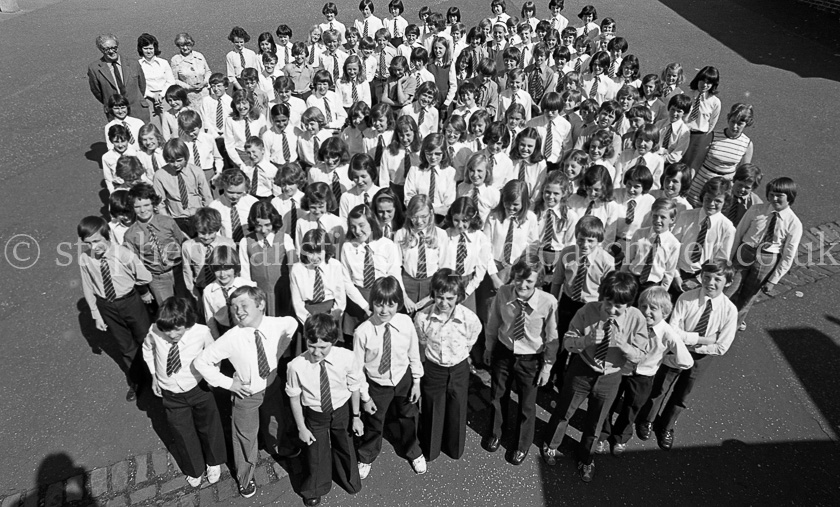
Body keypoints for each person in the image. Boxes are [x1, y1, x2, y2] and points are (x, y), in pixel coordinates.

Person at [541, 271, 649, 482]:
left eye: (619, 306)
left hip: (611, 376)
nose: (612, 309)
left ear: (629, 303)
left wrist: (624, 346)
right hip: (582, 369)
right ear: (602, 296)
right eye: (608, 302)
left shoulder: (637, 319)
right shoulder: (587, 311)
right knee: (564, 410)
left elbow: (641, 355)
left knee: (596, 421)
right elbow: (568, 341)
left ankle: (586, 458)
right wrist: (586, 340)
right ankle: (551, 444)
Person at [194, 286, 298, 498]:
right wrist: (228, 383)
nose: (238, 311)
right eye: (234, 307)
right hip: (246, 393)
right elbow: (201, 361)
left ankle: (279, 446)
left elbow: (293, 324)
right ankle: (245, 475)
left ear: (260, 305)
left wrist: (279, 352)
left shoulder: (275, 324)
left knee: (275, 419)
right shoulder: (232, 337)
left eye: (244, 305)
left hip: (271, 385)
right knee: (245, 435)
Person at [638, 260, 737, 451]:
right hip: (675, 352)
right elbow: (673, 331)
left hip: (701, 359)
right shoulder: (686, 298)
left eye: (717, 279)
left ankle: (666, 426)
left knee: (682, 395)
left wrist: (692, 344)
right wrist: (704, 339)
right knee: (660, 388)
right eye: (706, 277)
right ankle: (647, 419)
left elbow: (722, 346)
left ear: (728, 282)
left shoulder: (729, 311)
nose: (710, 283)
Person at [596, 286, 693, 455]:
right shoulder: (632, 322)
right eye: (643, 306)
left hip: (644, 376)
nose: (647, 312)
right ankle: (602, 435)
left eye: (653, 308)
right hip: (622, 370)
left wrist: (665, 360)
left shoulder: (667, 333)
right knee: (609, 403)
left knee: (632, 408)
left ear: (665, 312)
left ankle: (620, 437)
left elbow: (686, 361)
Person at [142, 297, 227, 487]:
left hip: (198, 387)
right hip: (171, 392)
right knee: (182, 431)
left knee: (209, 425)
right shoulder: (155, 331)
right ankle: (194, 468)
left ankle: (213, 461)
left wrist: (213, 376)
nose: (172, 335)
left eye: (177, 329)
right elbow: (147, 350)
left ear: (187, 323)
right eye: (167, 330)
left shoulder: (201, 332)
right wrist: (154, 375)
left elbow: (214, 355)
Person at [483, 259, 558, 465]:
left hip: (530, 358)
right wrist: (489, 348)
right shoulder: (504, 293)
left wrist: (548, 366)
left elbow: (552, 337)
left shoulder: (548, 302)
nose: (523, 286)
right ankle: (496, 432)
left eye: (529, 281)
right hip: (504, 351)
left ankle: (521, 444)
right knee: (498, 395)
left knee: (526, 404)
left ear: (538, 281)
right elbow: (494, 322)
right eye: (519, 279)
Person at [286, 313, 366, 506]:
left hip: (341, 410)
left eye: (323, 347)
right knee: (316, 452)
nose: (316, 352)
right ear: (305, 339)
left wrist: (356, 416)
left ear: (334, 341)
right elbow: (295, 399)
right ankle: (315, 487)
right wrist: (301, 428)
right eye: (311, 346)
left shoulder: (346, 358)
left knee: (345, 445)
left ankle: (348, 477)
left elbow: (354, 387)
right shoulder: (296, 366)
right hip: (315, 414)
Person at [353, 276, 425, 478]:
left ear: (399, 304)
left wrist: (417, 381)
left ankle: (413, 450)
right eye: (379, 304)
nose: (384, 311)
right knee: (375, 421)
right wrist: (365, 398)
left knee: (409, 416)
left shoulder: (406, 323)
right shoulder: (363, 332)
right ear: (372, 303)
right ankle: (366, 455)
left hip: (403, 379)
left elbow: (413, 353)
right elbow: (357, 369)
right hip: (377, 383)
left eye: (391, 305)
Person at [78, 216, 153, 402]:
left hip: (130, 301)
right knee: (125, 346)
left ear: (108, 235)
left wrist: (137, 288)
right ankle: (137, 381)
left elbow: (144, 276)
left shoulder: (124, 254)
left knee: (146, 339)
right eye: (88, 243)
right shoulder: (85, 259)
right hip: (107, 305)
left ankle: (155, 378)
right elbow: (88, 287)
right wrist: (96, 314)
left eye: (97, 241)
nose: (94, 247)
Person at [414, 269, 482, 460]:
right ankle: (431, 448)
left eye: (449, 298)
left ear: (458, 296)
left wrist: (463, 353)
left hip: (459, 368)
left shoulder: (469, 318)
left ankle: (454, 447)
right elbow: (422, 342)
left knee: (457, 407)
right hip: (434, 368)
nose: (444, 303)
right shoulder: (422, 318)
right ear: (433, 294)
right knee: (432, 408)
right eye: (439, 297)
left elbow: (472, 337)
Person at [728, 177, 802, 331]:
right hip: (745, 251)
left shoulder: (794, 223)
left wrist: (774, 279)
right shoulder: (756, 210)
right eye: (771, 194)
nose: (774, 199)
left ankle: (733, 326)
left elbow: (788, 255)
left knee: (749, 295)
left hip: (767, 259)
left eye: (779, 196)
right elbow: (739, 233)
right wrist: (729, 258)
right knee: (730, 287)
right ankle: (718, 318)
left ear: (790, 197)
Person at [123, 183, 188, 306]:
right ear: (132, 208)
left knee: (188, 304)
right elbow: (135, 265)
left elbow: (184, 244)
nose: (143, 210)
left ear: (153, 203)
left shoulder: (168, 222)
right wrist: (143, 290)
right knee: (168, 311)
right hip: (158, 279)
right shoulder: (130, 235)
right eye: (137, 207)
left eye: (147, 205)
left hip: (179, 271)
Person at [686, 103, 755, 206]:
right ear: (728, 118)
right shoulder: (712, 136)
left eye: (740, 123)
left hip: (722, 191)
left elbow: (743, 174)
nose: (735, 127)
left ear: (747, 123)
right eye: (732, 121)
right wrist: (687, 184)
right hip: (699, 186)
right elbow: (696, 163)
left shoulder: (747, 144)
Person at [153, 139, 213, 237]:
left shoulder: (196, 171)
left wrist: (208, 218)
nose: (176, 164)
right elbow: (160, 203)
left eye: (179, 160)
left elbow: (207, 197)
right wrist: (168, 222)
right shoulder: (160, 175)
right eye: (171, 161)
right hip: (177, 219)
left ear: (186, 157)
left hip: (197, 216)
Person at [88, 33, 150, 122]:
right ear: (101, 49)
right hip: (115, 114)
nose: (111, 51)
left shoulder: (133, 63)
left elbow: (142, 86)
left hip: (138, 111)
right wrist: (115, 104)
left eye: (114, 48)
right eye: (107, 49)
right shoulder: (95, 68)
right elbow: (97, 92)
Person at [180, 207, 235, 300]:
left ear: (217, 229)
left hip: (225, 288)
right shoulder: (187, 246)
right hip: (201, 289)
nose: (206, 237)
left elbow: (234, 269)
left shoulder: (228, 244)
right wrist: (195, 295)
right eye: (202, 233)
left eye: (210, 232)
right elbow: (187, 272)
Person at [137, 33, 176, 131]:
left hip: (165, 98)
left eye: (151, 48)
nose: (148, 51)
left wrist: (161, 95)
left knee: (169, 125)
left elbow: (170, 81)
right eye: (145, 48)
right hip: (148, 99)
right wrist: (153, 96)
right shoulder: (138, 65)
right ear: (141, 49)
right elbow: (139, 85)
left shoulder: (163, 63)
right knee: (154, 127)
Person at [171, 33, 212, 105]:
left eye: (188, 45)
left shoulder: (199, 56)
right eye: (182, 46)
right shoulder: (175, 60)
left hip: (205, 95)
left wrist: (204, 82)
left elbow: (208, 72)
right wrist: (189, 87)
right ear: (178, 46)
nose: (185, 48)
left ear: (192, 44)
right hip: (188, 97)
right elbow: (175, 80)